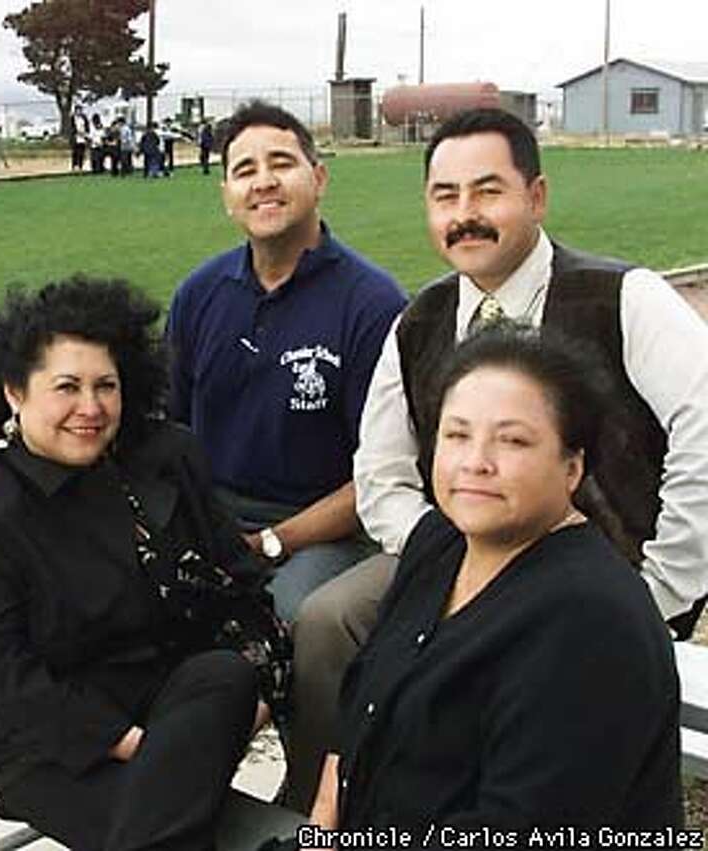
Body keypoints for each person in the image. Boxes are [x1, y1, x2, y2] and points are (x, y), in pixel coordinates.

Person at [290, 106, 708, 812]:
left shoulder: (624, 297)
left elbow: (705, 432)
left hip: (609, 575)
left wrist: (660, 584)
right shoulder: (418, 319)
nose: (465, 215)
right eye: (445, 197)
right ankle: (324, 796)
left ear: (535, 197)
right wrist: (443, 552)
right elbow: (382, 471)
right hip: (463, 554)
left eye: (487, 191)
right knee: (331, 617)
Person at [0, 277, 289, 851]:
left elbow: (242, 584)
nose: (91, 408)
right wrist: (136, 746)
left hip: (180, 712)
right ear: (15, 393)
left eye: (106, 386)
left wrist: (255, 700)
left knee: (224, 674)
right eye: (67, 387)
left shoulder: (169, 457)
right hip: (44, 739)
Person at [311, 327, 682, 834]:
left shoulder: (592, 621)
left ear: (572, 468)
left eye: (512, 440)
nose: (475, 462)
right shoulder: (440, 541)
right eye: (457, 434)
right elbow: (357, 721)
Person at [167, 99, 406, 627]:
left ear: (318, 178)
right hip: (214, 514)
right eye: (244, 170)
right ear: (227, 195)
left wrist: (272, 541)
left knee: (289, 615)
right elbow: (171, 430)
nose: (263, 181)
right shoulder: (199, 294)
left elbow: (382, 471)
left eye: (281, 163)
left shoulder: (372, 304)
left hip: (326, 528)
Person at [71, 105, 90, 171]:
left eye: (80, 110)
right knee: (75, 152)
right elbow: (71, 127)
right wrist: (77, 132)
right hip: (76, 136)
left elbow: (87, 126)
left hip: (83, 137)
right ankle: (74, 165)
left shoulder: (84, 117)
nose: (79, 112)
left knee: (81, 152)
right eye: (78, 110)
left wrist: (86, 134)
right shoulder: (73, 117)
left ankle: (80, 166)